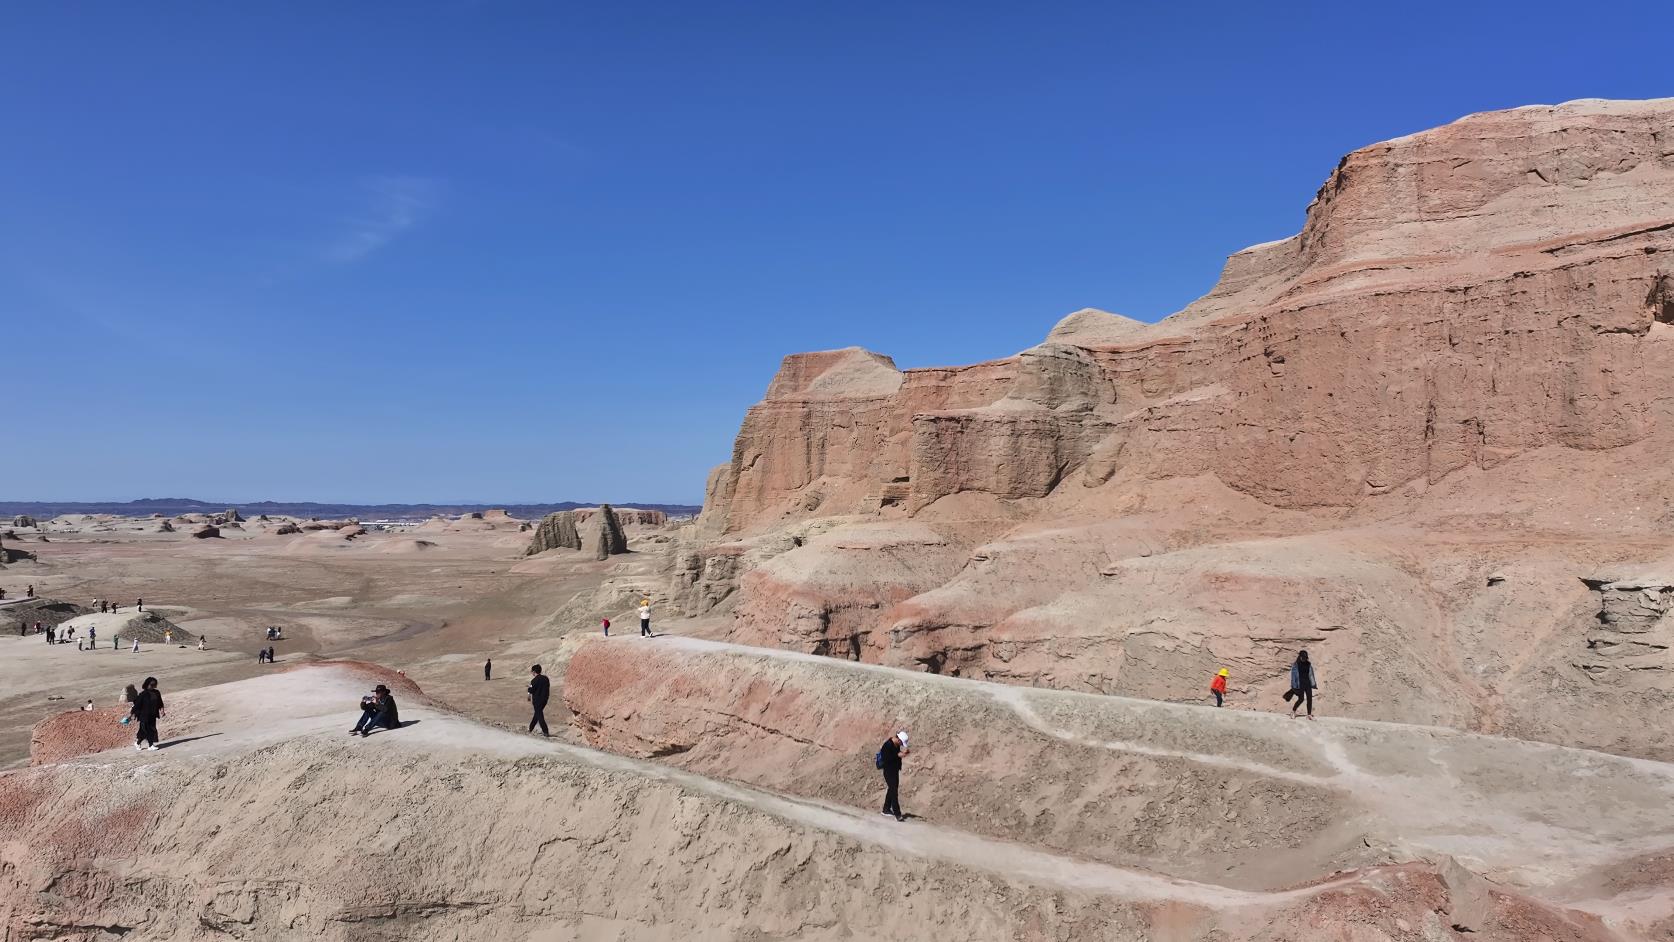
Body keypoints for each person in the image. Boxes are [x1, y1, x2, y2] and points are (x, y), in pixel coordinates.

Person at [879, 730, 910, 822]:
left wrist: (902, 754)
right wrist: (898, 755)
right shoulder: (887, 745)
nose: (901, 745)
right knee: (894, 791)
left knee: (892, 788)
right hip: (888, 771)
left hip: (894, 771)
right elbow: (886, 759)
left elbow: (895, 756)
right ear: (899, 739)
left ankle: (886, 809)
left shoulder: (895, 745)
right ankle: (897, 814)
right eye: (901, 743)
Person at [130, 676, 164, 751]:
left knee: (146, 730)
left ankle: (138, 743)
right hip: (144, 716)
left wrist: (162, 710)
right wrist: (131, 715)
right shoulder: (143, 694)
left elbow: (160, 702)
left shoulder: (156, 692)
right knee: (147, 730)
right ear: (147, 685)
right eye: (151, 685)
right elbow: (137, 706)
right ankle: (150, 745)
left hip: (153, 715)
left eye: (154, 684)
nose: (153, 686)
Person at [1288, 650, 1318, 720]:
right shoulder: (1296, 665)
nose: (1304, 659)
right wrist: (1294, 685)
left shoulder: (1308, 664)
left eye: (1305, 658)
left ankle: (1309, 715)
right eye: (1303, 657)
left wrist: (1313, 683)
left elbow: (1310, 674)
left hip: (1307, 684)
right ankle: (1293, 711)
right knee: (1301, 699)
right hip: (1300, 684)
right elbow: (1293, 676)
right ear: (1300, 657)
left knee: (1309, 698)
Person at [527, 664, 550, 737]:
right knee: (537, 714)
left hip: (537, 700)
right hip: (544, 700)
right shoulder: (546, 678)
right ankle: (531, 728)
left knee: (539, 715)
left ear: (534, 672)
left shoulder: (534, 680)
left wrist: (528, 693)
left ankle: (545, 731)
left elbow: (531, 689)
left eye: (532, 672)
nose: (532, 673)